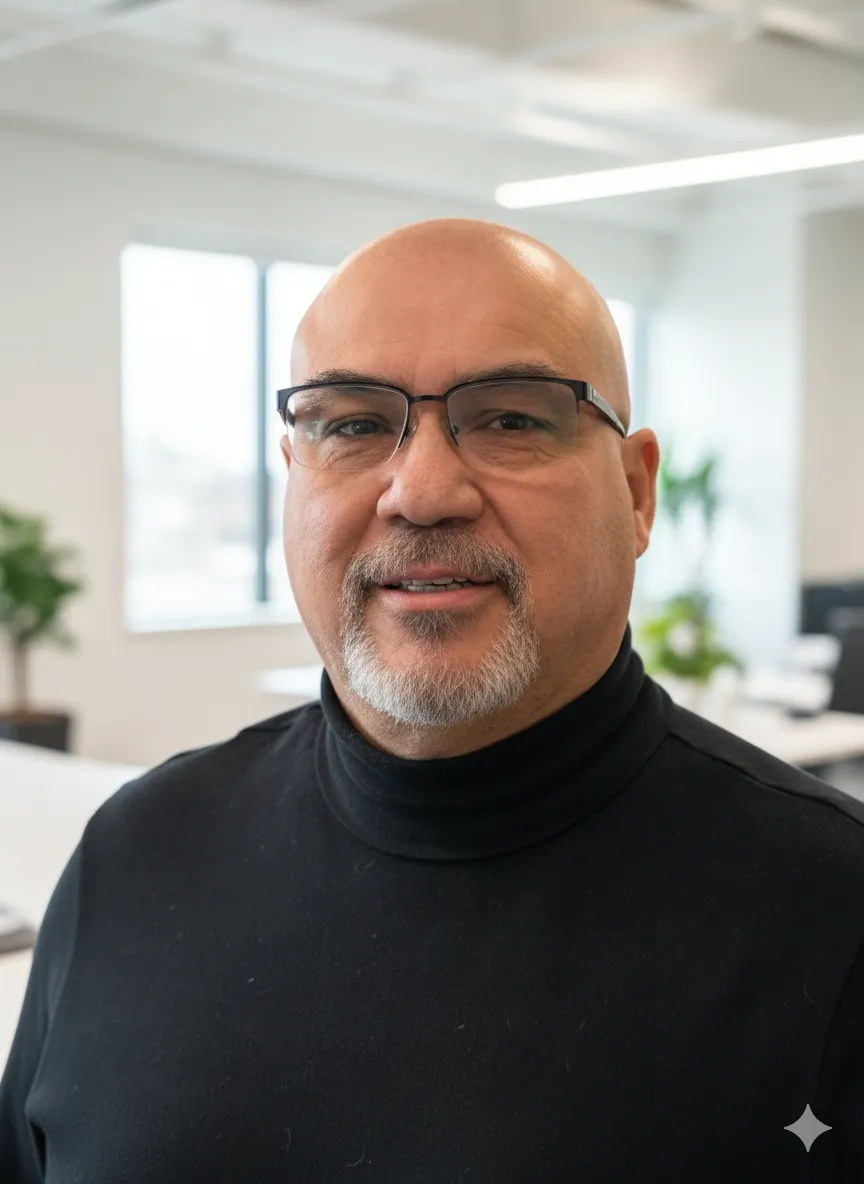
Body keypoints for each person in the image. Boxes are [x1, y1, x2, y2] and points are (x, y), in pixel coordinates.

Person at [1, 218, 862, 1182]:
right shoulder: (133, 855)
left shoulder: (835, 915)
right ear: (295, 479)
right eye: (355, 424)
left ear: (635, 493)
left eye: (510, 418)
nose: (421, 491)